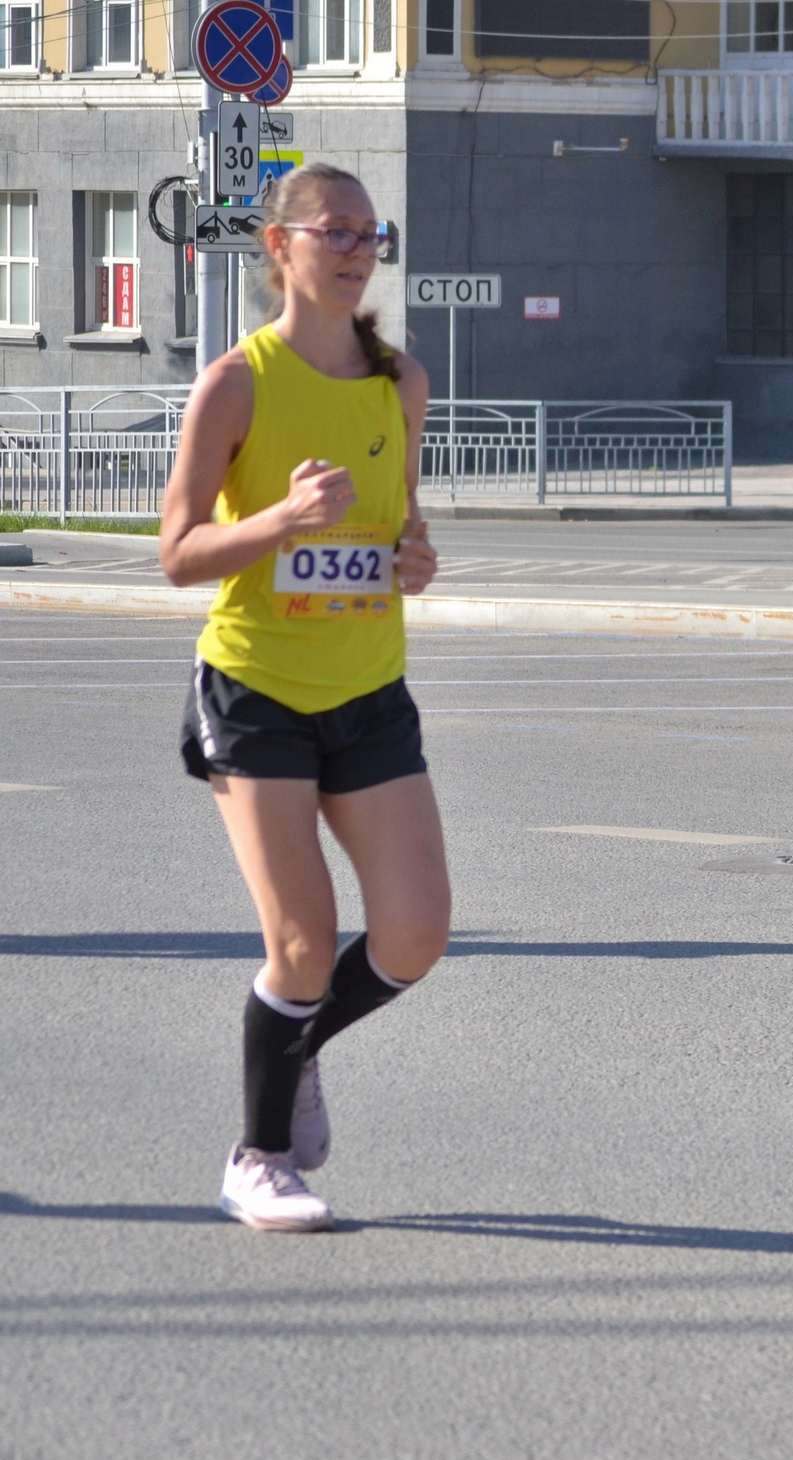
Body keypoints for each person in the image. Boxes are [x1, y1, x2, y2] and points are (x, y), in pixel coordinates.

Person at [157, 162, 447, 1233]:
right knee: (303, 939)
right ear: (278, 246)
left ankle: (298, 1042)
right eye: (336, 231)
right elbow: (178, 552)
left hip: (369, 687)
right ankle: (259, 1154)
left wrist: (412, 558)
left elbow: (397, 528)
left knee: (416, 934)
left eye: (372, 234)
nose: (359, 250)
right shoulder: (239, 380)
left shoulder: (399, 383)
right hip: (256, 689)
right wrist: (276, 523)